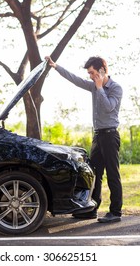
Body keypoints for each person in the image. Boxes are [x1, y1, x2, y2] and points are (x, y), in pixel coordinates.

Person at [45, 55, 123, 223]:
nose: (90, 76)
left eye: (92, 72)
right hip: (98, 136)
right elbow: (75, 80)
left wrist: (100, 87)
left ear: (102, 71)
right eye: (89, 73)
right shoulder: (93, 86)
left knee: (112, 175)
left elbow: (109, 107)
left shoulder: (115, 88)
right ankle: (91, 209)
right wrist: (55, 66)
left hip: (110, 136)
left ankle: (115, 212)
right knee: (95, 174)